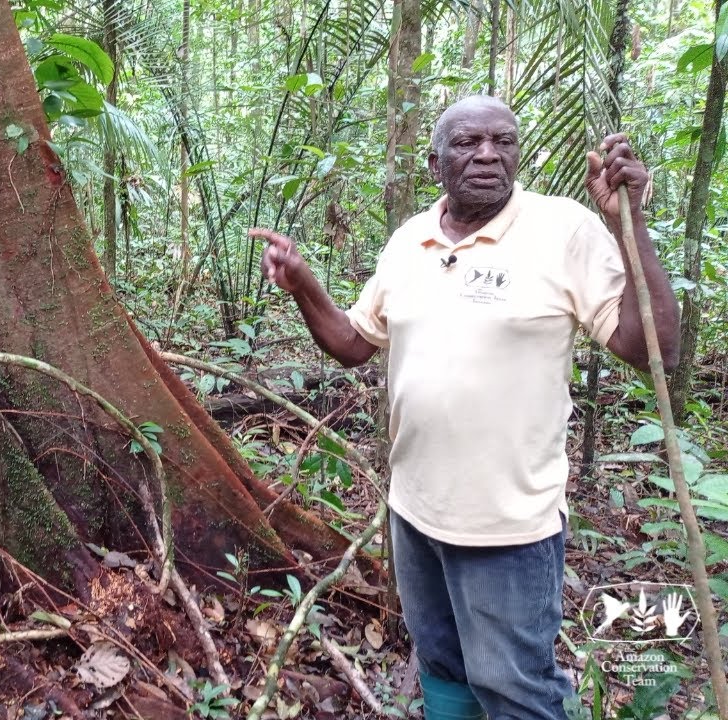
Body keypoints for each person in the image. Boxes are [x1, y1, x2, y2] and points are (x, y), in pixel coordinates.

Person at [254, 95, 679, 720]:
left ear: (518, 153)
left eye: (502, 142)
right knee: (443, 668)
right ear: (435, 163)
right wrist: (304, 285)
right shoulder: (410, 241)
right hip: (414, 511)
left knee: (515, 687)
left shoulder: (563, 230)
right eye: (467, 143)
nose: (486, 155)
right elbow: (352, 343)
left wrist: (627, 224)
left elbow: (654, 351)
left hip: (510, 525)